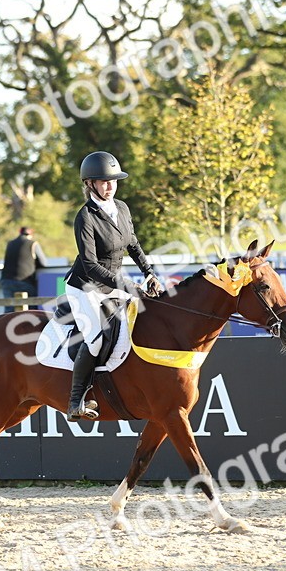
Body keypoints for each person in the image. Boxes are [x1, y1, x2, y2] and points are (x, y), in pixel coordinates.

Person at [63, 151, 163, 421]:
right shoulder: (85, 217)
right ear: (90, 184)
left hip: (114, 282)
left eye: (114, 181)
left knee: (147, 316)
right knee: (95, 338)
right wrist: (128, 284)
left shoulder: (122, 208)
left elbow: (133, 244)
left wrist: (149, 273)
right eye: (104, 182)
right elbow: (91, 265)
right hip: (86, 286)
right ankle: (75, 401)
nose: (110, 186)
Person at [0, 226, 49, 312]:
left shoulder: (10, 243)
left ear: (20, 233)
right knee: (31, 310)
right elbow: (44, 263)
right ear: (31, 234)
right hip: (24, 280)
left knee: (9, 310)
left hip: (6, 280)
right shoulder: (33, 244)